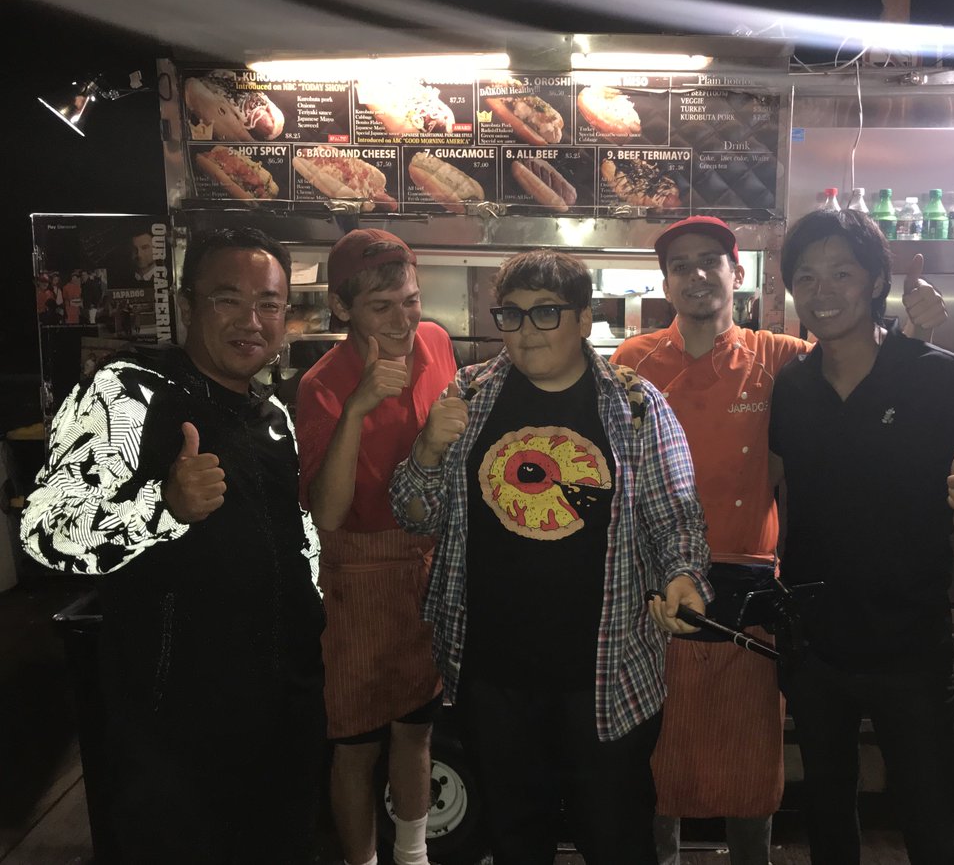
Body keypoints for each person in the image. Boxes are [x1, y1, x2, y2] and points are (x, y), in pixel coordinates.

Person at [609, 215, 946, 865]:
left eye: (712, 260)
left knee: (749, 768)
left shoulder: (781, 357)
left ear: (739, 275)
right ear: (666, 282)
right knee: (658, 765)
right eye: (682, 264)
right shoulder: (633, 362)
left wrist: (916, 331)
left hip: (754, 591)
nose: (698, 274)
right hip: (657, 593)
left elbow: (867, 378)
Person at [389, 249, 712, 865]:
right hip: (493, 674)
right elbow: (412, 515)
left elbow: (677, 518)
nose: (525, 331)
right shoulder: (470, 395)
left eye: (546, 314)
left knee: (616, 839)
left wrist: (683, 578)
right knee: (514, 840)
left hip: (607, 674)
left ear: (585, 319)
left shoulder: (636, 406)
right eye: (510, 316)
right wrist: (428, 450)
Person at [20, 227, 326, 864]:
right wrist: (162, 507)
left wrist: (316, 606)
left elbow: (290, 534)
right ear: (188, 307)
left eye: (269, 304)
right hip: (175, 724)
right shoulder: (126, 391)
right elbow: (44, 533)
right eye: (227, 299)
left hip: (280, 708)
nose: (252, 320)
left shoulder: (274, 414)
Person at [769, 209, 954, 865]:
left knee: (936, 825)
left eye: (841, 272)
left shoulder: (944, 378)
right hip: (816, 644)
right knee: (827, 818)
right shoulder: (789, 388)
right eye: (807, 276)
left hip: (911, 643)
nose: (823, 290)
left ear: (875, 281)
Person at [296, 229, 457, 865]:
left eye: (411, 301)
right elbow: (329, 512)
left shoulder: (437, 342)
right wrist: (359, 406)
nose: (403, 320)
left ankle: (413, 856)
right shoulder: (322, 384)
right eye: (381, 307)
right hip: (358, 571)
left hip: (429, 560)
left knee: (416, 733)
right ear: (343, 308)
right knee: (357, 743)